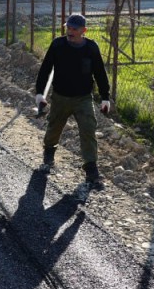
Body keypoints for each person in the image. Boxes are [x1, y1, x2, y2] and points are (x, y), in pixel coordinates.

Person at [34, 13, 111, 186]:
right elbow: (45, 69)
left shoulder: (91, 48)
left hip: (83, 98)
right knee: (54, 127)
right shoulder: (58, 45)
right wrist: (39, 93)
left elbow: (100, 72)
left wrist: (105, 97)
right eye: (68, 27)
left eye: (74, 29)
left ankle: (91, 169)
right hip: (60, 97)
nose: (70, 31)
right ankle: (49, 154)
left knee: (88, 128)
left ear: (84, 30)